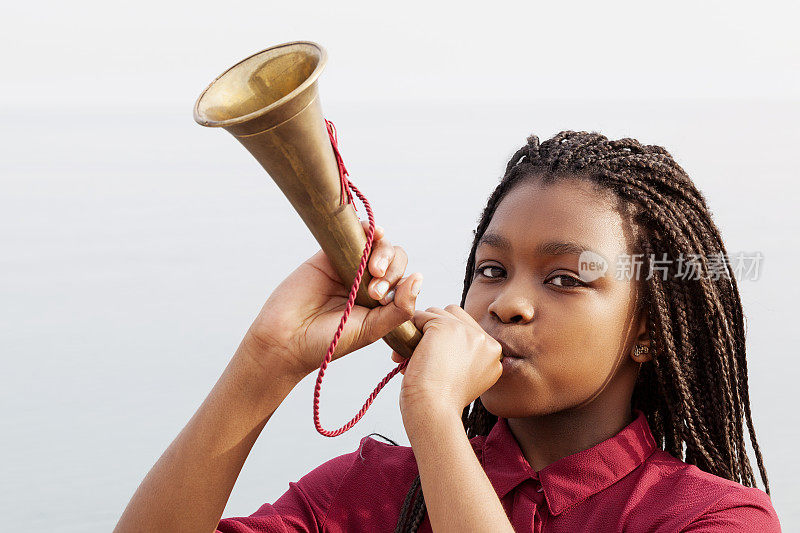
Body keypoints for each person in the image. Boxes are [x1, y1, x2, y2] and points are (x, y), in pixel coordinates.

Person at [114, 130, 781, 532]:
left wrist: (434, 416)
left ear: (649, 329)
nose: (508, 302)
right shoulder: (368, 491)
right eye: (491, 268)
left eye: (564, 278)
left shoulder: (712, 517)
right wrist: (267, 362)